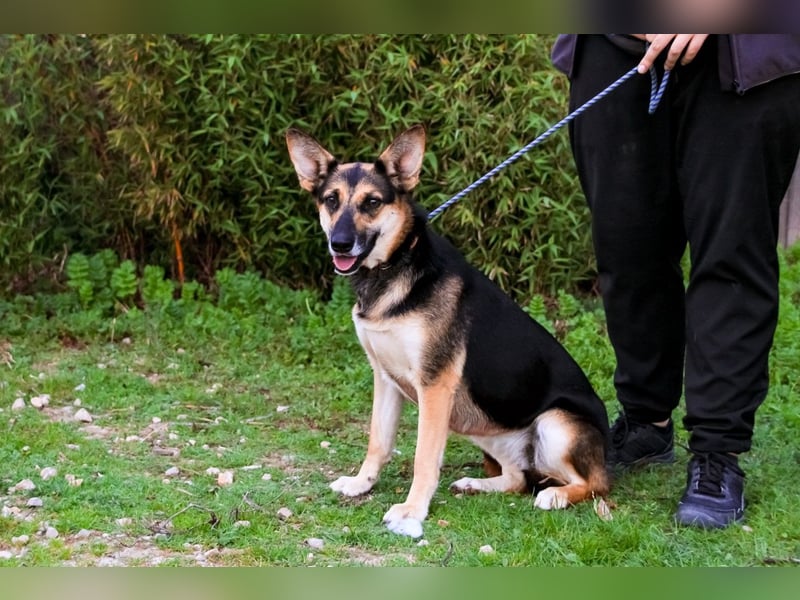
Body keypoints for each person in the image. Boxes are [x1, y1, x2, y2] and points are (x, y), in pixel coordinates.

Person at [551, 34, 800, 528]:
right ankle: (647, 420)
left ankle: (716, 451)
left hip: (746, 51)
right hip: (615, 40)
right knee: (627, 244)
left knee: (731, 255)